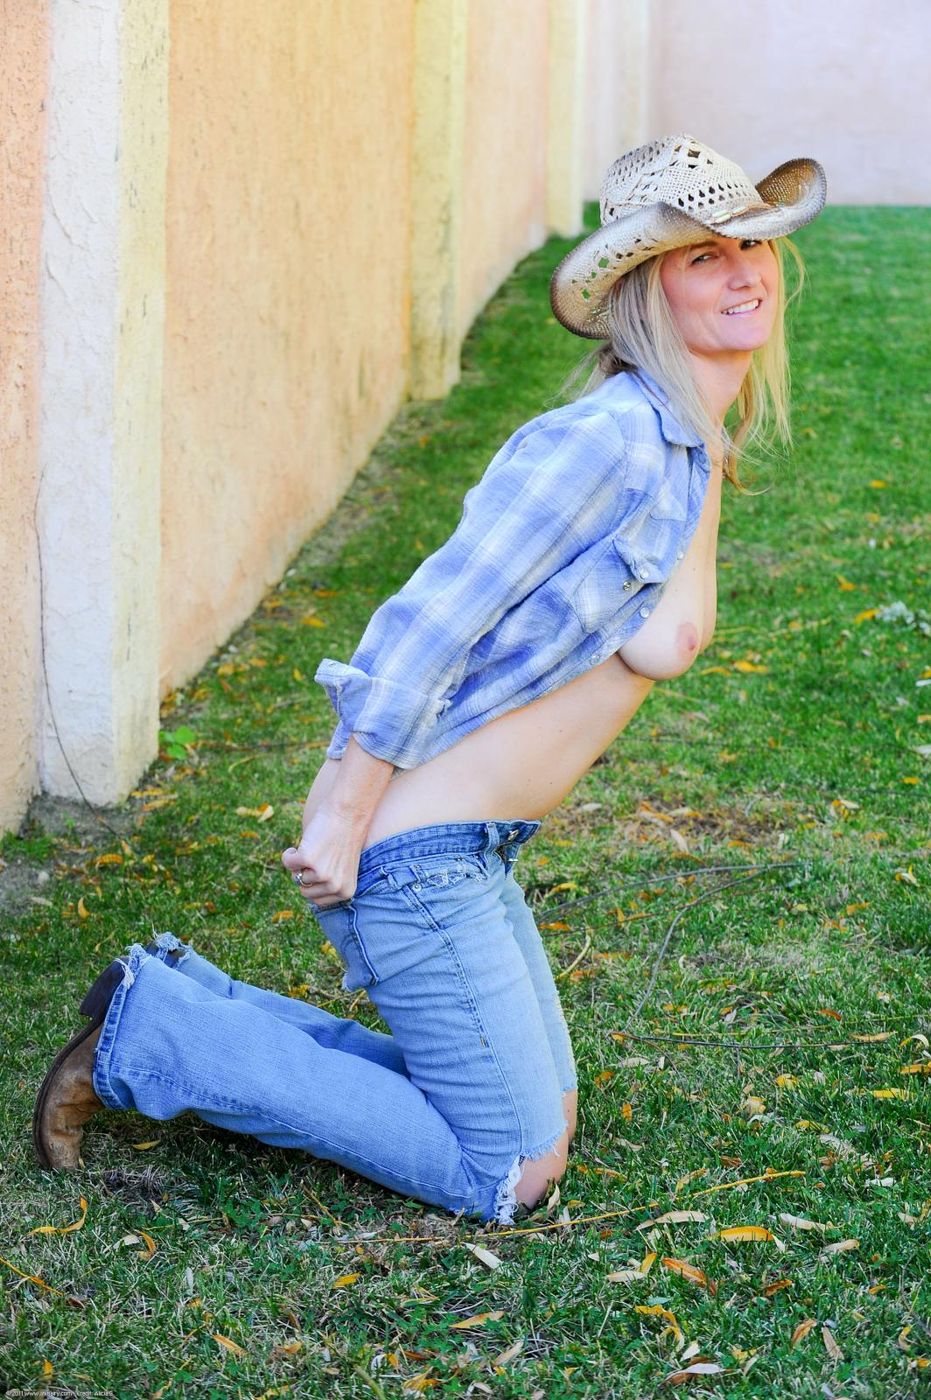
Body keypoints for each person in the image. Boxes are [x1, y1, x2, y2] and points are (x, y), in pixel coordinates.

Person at [34, 134, 826, 1224]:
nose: (743, 272)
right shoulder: (606, 442)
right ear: (646, 289)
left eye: (753, 245)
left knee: (544, 1114)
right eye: (703, 256)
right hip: (412, 857)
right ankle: (152, 1041)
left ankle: (175, 1003)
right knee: (511, 1171)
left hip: (476, 849)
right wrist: (342, 811)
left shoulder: (691, 443)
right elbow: (428, 622)